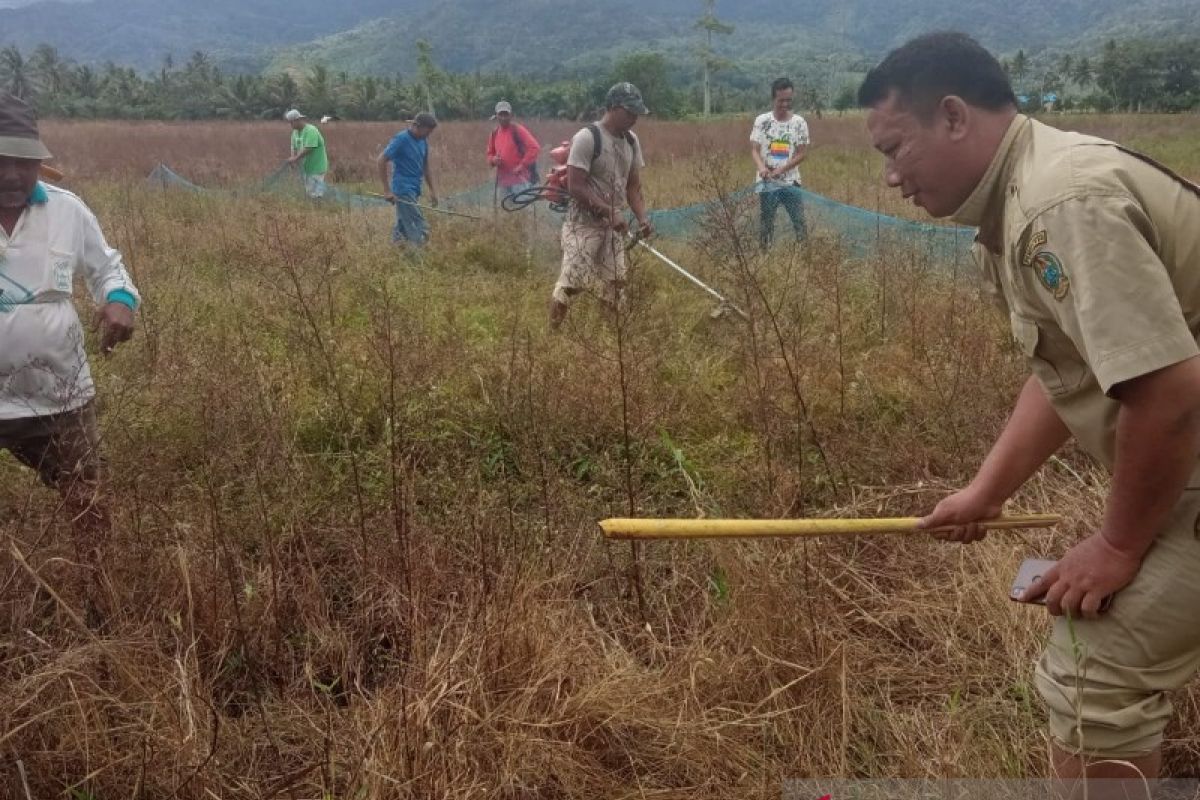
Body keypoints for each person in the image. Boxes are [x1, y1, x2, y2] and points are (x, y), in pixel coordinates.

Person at [858, 32, 1200, 788]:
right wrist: (987, 492)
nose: (889, 179)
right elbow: (1069, 368)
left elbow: (1168, 390)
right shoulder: (1019, 200)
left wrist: (1116, 545)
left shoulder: (1059, 204)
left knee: (1094, 675)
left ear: (952, 117)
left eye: (895, 149)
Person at [0, 93, 139, 617]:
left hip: (59, 394)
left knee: (87, 502)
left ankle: (101, 607)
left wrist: (119, 302)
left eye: (24, 160)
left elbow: (108, 268)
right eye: (1, 160)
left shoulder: (67, 209)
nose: (13, 173)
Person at [549, 82, 653, 329]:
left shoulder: (630, 140)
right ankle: (552, 334)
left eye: (637, 113)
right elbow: (576, 186)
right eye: (630, 112)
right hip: (582, 224)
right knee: (571, 284)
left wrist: (642, 219)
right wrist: (607, 211)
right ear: (614, 108)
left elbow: (633, 186)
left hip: (613, 227)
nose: (635, 118)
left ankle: (610, 338)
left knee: (615, 285)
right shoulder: (587, 138)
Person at [750, 77, 809, 250]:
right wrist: (762, 168)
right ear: (773, 98)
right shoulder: (762, 121)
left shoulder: (799, 123)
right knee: (766, 225)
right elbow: (754, 149)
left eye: (788, 100)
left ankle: (805, 258)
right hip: (767, 184)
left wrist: (781, 170)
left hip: (791, 182)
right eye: (781, 100)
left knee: (799, 223)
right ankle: (764, 256)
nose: (785, 104)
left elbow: (802, 153)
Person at [377, 112, 440, 247]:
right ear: (417, 126)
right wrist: (387, 191)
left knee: (402, 225)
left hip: (415, 188)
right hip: (403, 189)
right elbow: (381, 160)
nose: (429, 135)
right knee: (419, 226)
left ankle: (395, 251)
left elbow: (425, 167)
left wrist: (433, 191)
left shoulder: (423, 142)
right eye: (427, 131)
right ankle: (419, 258)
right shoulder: (401, 139)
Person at [487, 100, 541, 199]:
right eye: (501, 114)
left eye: (506, 114)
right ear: (496, 116)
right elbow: (490, 154)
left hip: (520, 181)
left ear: (511, 115)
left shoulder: (517, 130)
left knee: (522, 211)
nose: (503, 118)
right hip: (503, 182)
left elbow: (534, 148)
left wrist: (521, 166)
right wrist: (494, 160)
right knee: (506, 212)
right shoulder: (494, 133)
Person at [284, 108, 328, 199]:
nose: (290, 125)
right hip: (306, 168)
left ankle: (318, 210)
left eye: (291, 122)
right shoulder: (295, 133)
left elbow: (309, 148)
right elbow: (293, 147)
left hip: (317, 167)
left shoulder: (311, 130)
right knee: (309, 191)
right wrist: (293, 158)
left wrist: (296, 158)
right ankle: (313, 209)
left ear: (297, 120)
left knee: (316, 194)